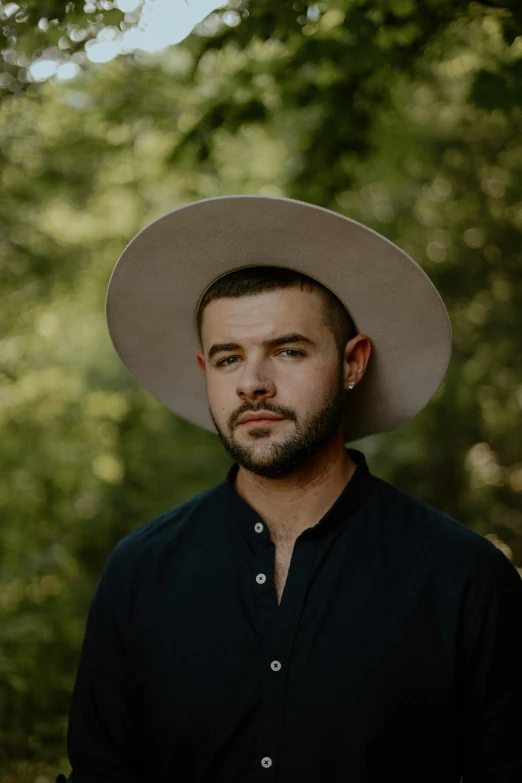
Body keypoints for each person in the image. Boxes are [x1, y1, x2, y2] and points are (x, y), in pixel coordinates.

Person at [56, 196, 522, 783]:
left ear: (353, 362)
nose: (252, 384)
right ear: (207, 372)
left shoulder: (466, 579)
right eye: (229, 359)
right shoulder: (138, 573)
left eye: (288, 351)